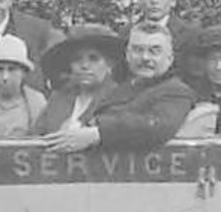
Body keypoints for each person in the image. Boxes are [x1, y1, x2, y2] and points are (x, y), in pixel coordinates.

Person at [42, 22, 195, 152]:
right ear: (127, 55)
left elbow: (158, 125)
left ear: (169, 58)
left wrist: (97, 133)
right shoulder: (124, 88)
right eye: (138, 50)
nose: (145, 57)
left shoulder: (175, 91)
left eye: (154, 51)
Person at [33, 24, 124, 135]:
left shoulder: (119, 99)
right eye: (77, 59)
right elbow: (35, 138)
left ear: (110, 64)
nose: (84, 65)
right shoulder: (58, 97)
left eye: (93, 59)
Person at [126, 0, 203, 87]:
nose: (154, 0)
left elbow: (194, 78)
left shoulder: (190, 35)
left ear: (172, 1)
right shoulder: (127, 33)